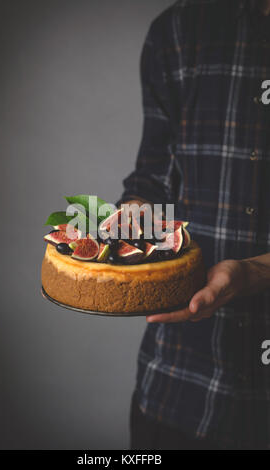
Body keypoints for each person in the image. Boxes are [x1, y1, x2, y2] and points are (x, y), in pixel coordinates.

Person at [119, 0, 270, 450]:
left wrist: (255, 271)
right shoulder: (179, 30)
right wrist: (130, 221)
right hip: (180, 385)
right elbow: (155, 174)